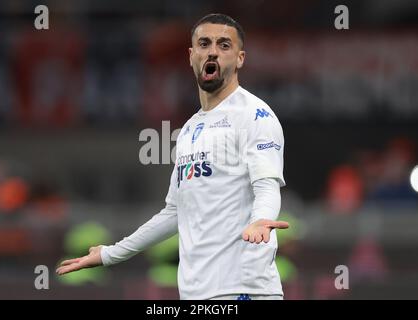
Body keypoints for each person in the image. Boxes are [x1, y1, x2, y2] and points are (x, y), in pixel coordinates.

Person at [57, 13, 289, 300]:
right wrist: (110, 254)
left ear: (240, 58)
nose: (213, 51)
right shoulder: (190, 129)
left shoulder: (255, 115)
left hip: (244, 289)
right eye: (204, 43)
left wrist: (262, 219)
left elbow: (266, 185)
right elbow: (174, 212)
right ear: (192, 56)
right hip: (196, 293)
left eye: (224, 45)